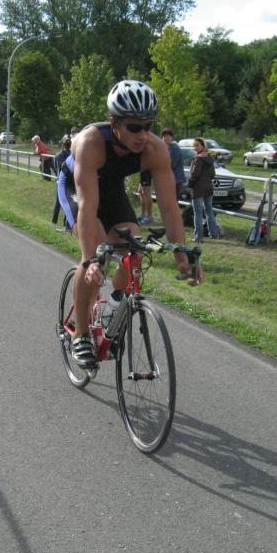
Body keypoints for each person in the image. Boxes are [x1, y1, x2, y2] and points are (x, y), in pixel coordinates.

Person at [57, 80, 201, 368]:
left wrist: (182, 257)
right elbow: (88, 207)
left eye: (148, 126)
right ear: (114, 123)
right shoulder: (90, 143)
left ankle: (114, 306)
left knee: (133, 245)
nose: (142, 134)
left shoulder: (155, 150)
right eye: (134, 127)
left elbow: (170, 208)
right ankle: (81, 335)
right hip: (77, 189)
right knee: (97, 255)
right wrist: (90, 259)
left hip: (111, 190)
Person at [186, 137, 223, 242]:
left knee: (197, 213)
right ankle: (214, 234)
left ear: (203, 146)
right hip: (208, 187)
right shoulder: (210, 158)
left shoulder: (198, 159)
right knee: (209, 211)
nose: (195, 147)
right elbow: (213, 174)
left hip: (198, 188)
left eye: (197, 145)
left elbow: (194, 175)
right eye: (194, 145)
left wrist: (189, 185)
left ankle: (198, 237)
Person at [52, 137, 72, 229]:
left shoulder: (58, 155)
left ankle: (54, 220)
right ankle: (65, 222)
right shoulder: (73, 155)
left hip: (60, 180)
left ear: (63, 145)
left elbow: (55, 167)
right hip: (70, 181)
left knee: (58, 201)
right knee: (69, 203)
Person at [161, 128, 186, 200]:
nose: (165, 138)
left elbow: (172, 164)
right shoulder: (167, 148)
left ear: (172, 137)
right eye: (164, 136)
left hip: (176, 179)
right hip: (170, 179)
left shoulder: (174, 147)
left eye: (168, 136)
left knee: (173, 201)